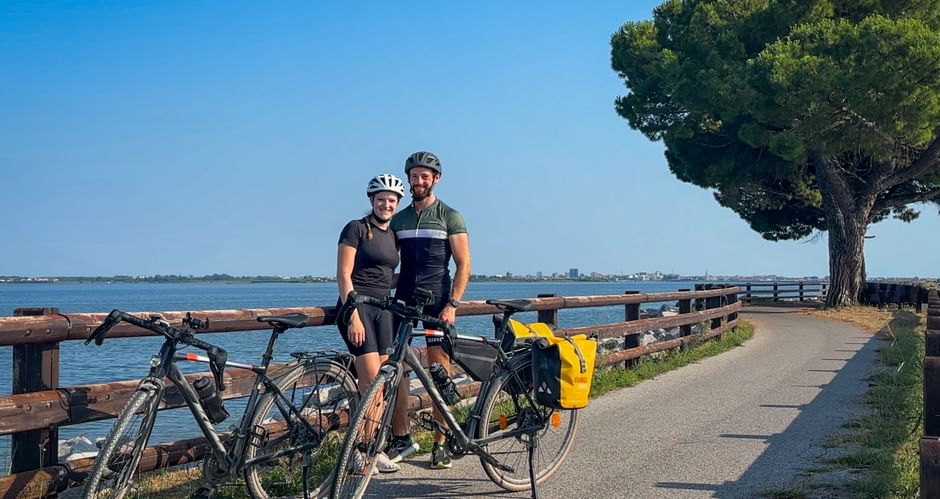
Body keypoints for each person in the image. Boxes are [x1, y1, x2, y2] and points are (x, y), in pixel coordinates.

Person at [384, 151, 471, 469]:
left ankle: (441, 443)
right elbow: (389, 264)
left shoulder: (450, 216)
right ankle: (402, 437)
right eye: (414, 176)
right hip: (404, 302)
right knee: (396, 370)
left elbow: (463, 265)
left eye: (424, 176)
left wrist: (453, 305)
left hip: (437, 304)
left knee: (439, 372)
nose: (418, 181)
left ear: (436, 179)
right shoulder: (399, 219)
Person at [335, 173, 407, 474]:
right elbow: (343, 274)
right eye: (381, 200)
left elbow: (387, 276)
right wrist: (351, 313)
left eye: (391, 200)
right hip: (358, 308)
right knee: (370, 385)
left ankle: (372, 448)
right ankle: (357, 453)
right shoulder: (356, 228)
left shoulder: (393, 236)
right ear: (372, 201)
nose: (386, 204)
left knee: (381, 387)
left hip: (383, 310)